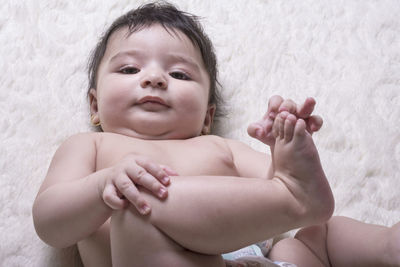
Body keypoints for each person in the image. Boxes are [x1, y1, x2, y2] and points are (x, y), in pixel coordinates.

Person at [32, 2, 400, 267]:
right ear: (94, 106)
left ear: (207, 116)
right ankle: (297, 200)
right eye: (129, 68)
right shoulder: (91, 146)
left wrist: (283, 152)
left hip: (262, 260)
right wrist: (103, 187)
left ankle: (388, 246)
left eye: (180, 75)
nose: (155, 78)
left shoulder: (219, 147)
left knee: (321, 235)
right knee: (137, 200)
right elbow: (50, 224)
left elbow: (269, 200)